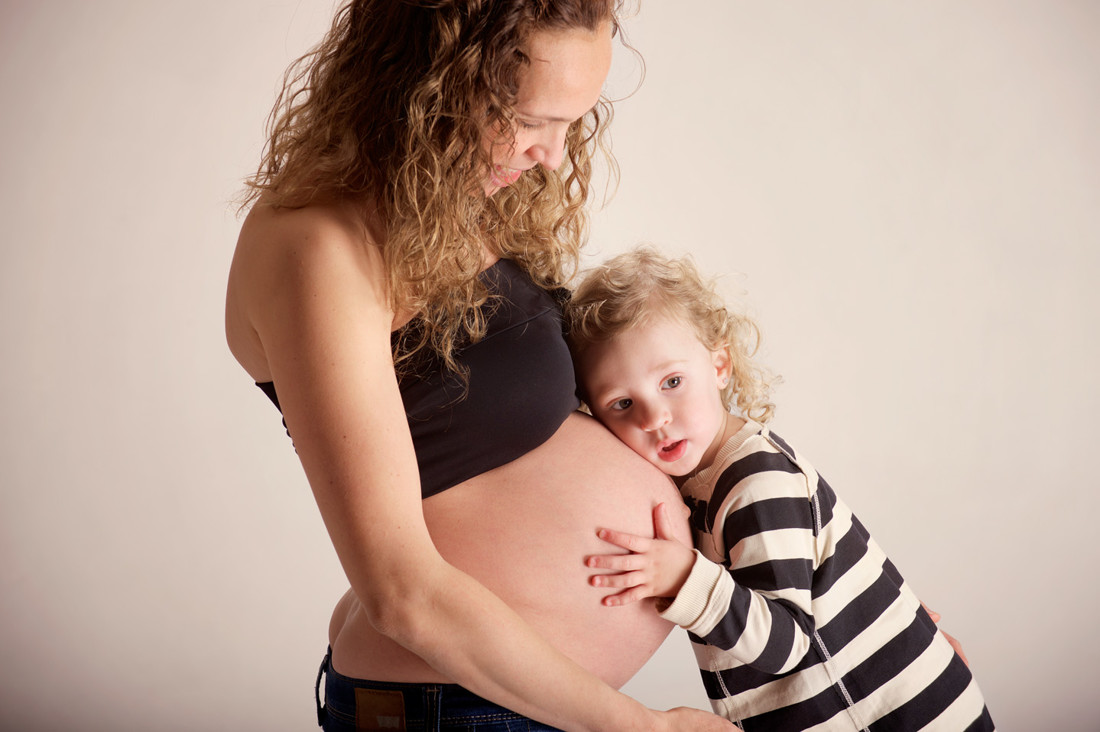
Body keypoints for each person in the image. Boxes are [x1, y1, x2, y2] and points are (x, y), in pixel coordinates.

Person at [225, 1, 734, 730]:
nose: (553, 156)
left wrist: (849, 605)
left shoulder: (450, 201)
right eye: (531, 121)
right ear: (433, 81)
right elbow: (401, 592)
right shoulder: (320, 247)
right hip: (453, 705)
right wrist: (641, 726)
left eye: (572, 123)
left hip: (513, 700)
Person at [566, 247, 994, 730]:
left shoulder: (755, 482)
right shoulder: (706, 483)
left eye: (672, 381)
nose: (654, 418)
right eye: (622, 403)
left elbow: (786, 645)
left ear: (720, 364)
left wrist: (684, 578)